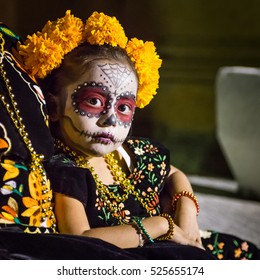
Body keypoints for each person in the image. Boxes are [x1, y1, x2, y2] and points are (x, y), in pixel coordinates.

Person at [18, 10, 260, 260]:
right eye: (94, 101)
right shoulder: (67, 171)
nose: (110, 119)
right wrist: (160, 226)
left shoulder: (128, 153)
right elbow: (80, 238)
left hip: (174, 239)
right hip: (135, 256)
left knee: (245, 252)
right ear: (54, 107)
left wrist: (186, 209)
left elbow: (174, 174)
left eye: (123, 107)